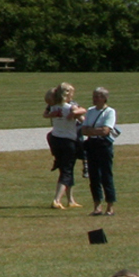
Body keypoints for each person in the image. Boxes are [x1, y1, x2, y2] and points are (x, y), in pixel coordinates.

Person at [44, 82, 86, 210]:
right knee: (67, 171)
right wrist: (77, 113)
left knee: (66, 169)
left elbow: (46, 114)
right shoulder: (70, 108)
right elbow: (84, 120)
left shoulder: (53, 107)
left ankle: (70, 200)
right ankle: (57, 200)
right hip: (68, 142)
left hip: (56, 140)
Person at [81, 87, 120, 216]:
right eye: (94, 96)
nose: (95, 99)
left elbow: (106, 130)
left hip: (104, 145)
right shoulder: (90, 111)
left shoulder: (109, 112)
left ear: (104, 98)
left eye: (98, 96)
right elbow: (83, 129)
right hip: (92, 144)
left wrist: (92, 130)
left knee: (106, 175)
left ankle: (110, 206)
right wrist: (95, 131)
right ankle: (97, 206)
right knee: (94, 176)